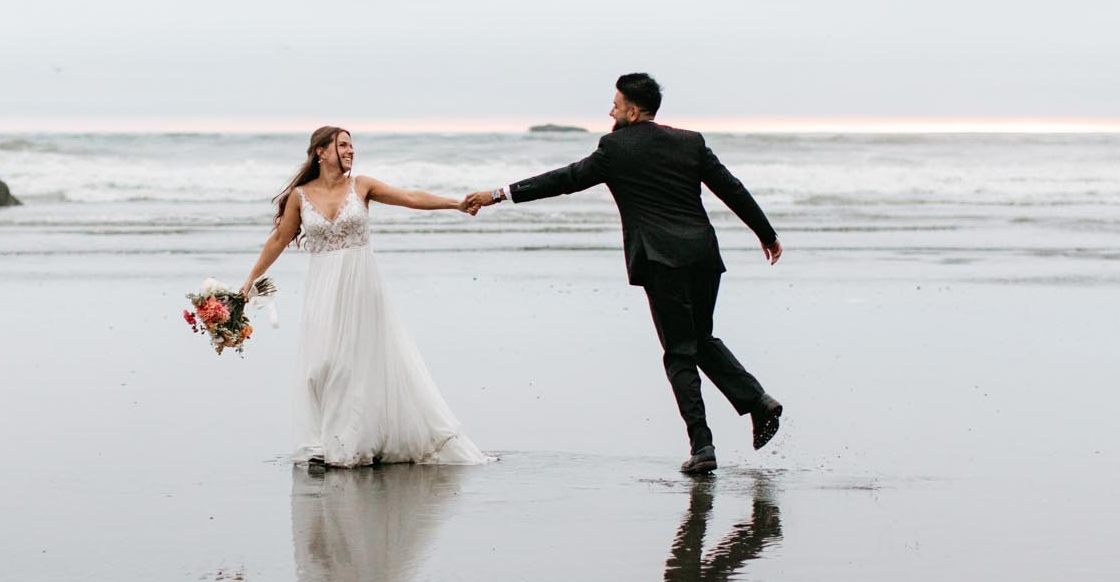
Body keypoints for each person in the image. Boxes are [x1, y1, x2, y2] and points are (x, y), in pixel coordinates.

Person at [464, 74, 783, 473]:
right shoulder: (690, 141)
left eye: (615, 104)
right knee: (699, 339)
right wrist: (766, 234)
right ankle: (758, 402)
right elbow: (731, 188)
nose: (610, 110)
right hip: (702, 256)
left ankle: (703, 447)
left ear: (632, 111)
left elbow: (565, 180)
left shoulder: (615, 148)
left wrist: (499, 194)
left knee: (680, 352)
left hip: (660, 260)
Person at [241, 125, 489, 467]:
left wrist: (456, 204)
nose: (350, 151)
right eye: (343, 145)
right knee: (321, 364)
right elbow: (278, 240)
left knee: (356, 364)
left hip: (361, 284)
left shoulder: (362, 186)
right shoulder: (300, 196)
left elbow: (410, 198)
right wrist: (251, 279)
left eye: (352, 146)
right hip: (323, 288)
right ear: (320, 152)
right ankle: (329, 440)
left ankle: (351, 444)